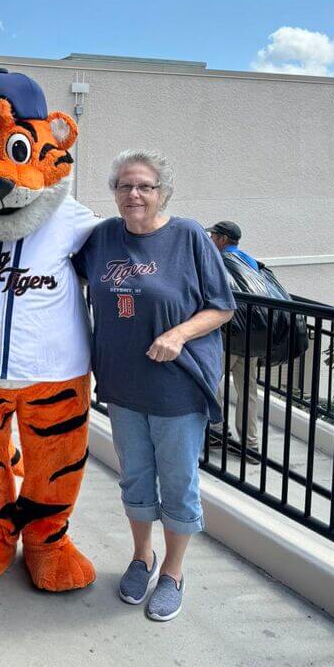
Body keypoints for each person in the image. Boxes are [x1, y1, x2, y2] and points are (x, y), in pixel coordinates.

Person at [73, 150, 234, 622]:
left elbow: (222, 306)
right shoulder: (102, 238)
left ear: (163, 191)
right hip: (122, 386)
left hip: (177, 389)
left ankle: (174, 571)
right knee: (136, 477)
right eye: (124, 186)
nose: (134, 194)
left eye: (143, 186)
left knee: (178, 481)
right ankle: (142, 556)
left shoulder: (187, 236)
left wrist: (179, 334)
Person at [208, 221, 261, 462]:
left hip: (228, 337)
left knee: (209, 380)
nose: (210, 239)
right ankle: (251, 445)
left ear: (222, 239)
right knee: (248, 392)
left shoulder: (219, 262)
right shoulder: (250, 262)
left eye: (213, 235)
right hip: (253, 337)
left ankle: (217, 431)